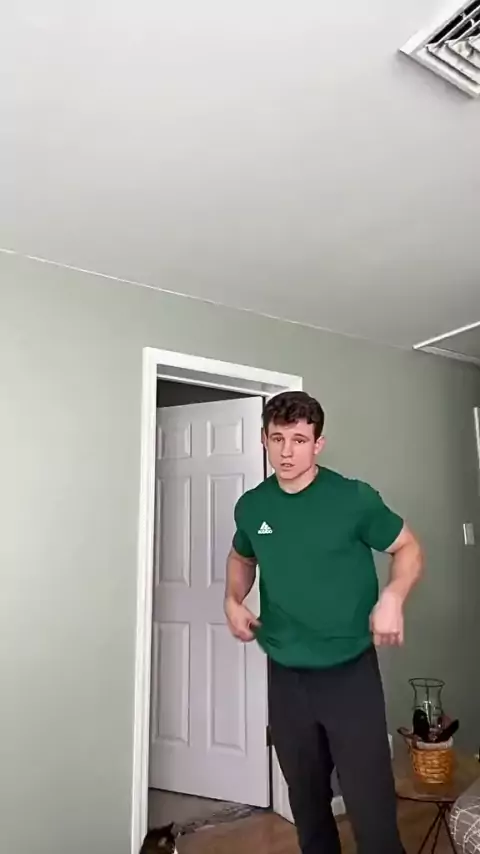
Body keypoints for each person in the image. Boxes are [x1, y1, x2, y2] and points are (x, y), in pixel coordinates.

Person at [224, 391, 423, 854]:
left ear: (318, 444)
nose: (287, 451)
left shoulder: (352, 498)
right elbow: (242, 556)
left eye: (299, 440)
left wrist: (393, 596)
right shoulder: (253, 506)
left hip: (348, 671)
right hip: (286, 672)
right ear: (263, 440)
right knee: (307, 800)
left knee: (369, 804)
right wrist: (233, 598)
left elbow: (407, 547)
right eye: (278, 439)